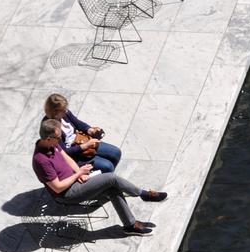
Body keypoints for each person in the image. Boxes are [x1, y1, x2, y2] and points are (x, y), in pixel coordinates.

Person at [32, 119, 167, 237]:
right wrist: (78, 175)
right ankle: (143, 194)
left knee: (113, 190)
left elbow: (67, 159)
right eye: (58, 137)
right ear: (48, 138)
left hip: (76, 180)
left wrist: (80, 171)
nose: (60, 139)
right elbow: (58, 187)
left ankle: (130, 226)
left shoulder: (52, 144)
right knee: (110, 178)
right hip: (67, 193)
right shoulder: (41, 161)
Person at [44, 94, 122, 175]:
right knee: (107, 166)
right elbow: (64, 152)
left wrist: (91, 130)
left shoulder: (65, 114)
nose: (66, 111)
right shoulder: (50, 127)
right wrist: (86, 145)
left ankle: (109, 178)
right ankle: (106, 181)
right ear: (55, 112)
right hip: (73, 154)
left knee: (116, 152)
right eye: (63, 110)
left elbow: (79, 124)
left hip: (81, 141)